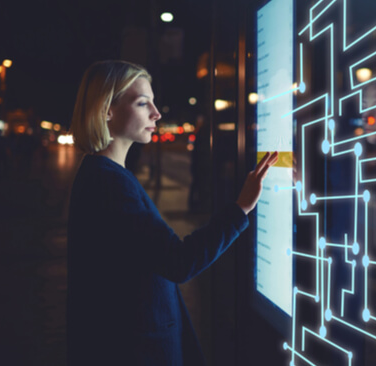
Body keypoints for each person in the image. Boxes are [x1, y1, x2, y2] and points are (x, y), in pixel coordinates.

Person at [66, 60, 278, 365]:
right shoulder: (110, 183)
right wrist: (241, 208)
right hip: (134, 351)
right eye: (143, 103)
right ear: (106, 110)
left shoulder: (103, 175)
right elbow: (179, 262)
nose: (157, 113)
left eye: (153, 101)